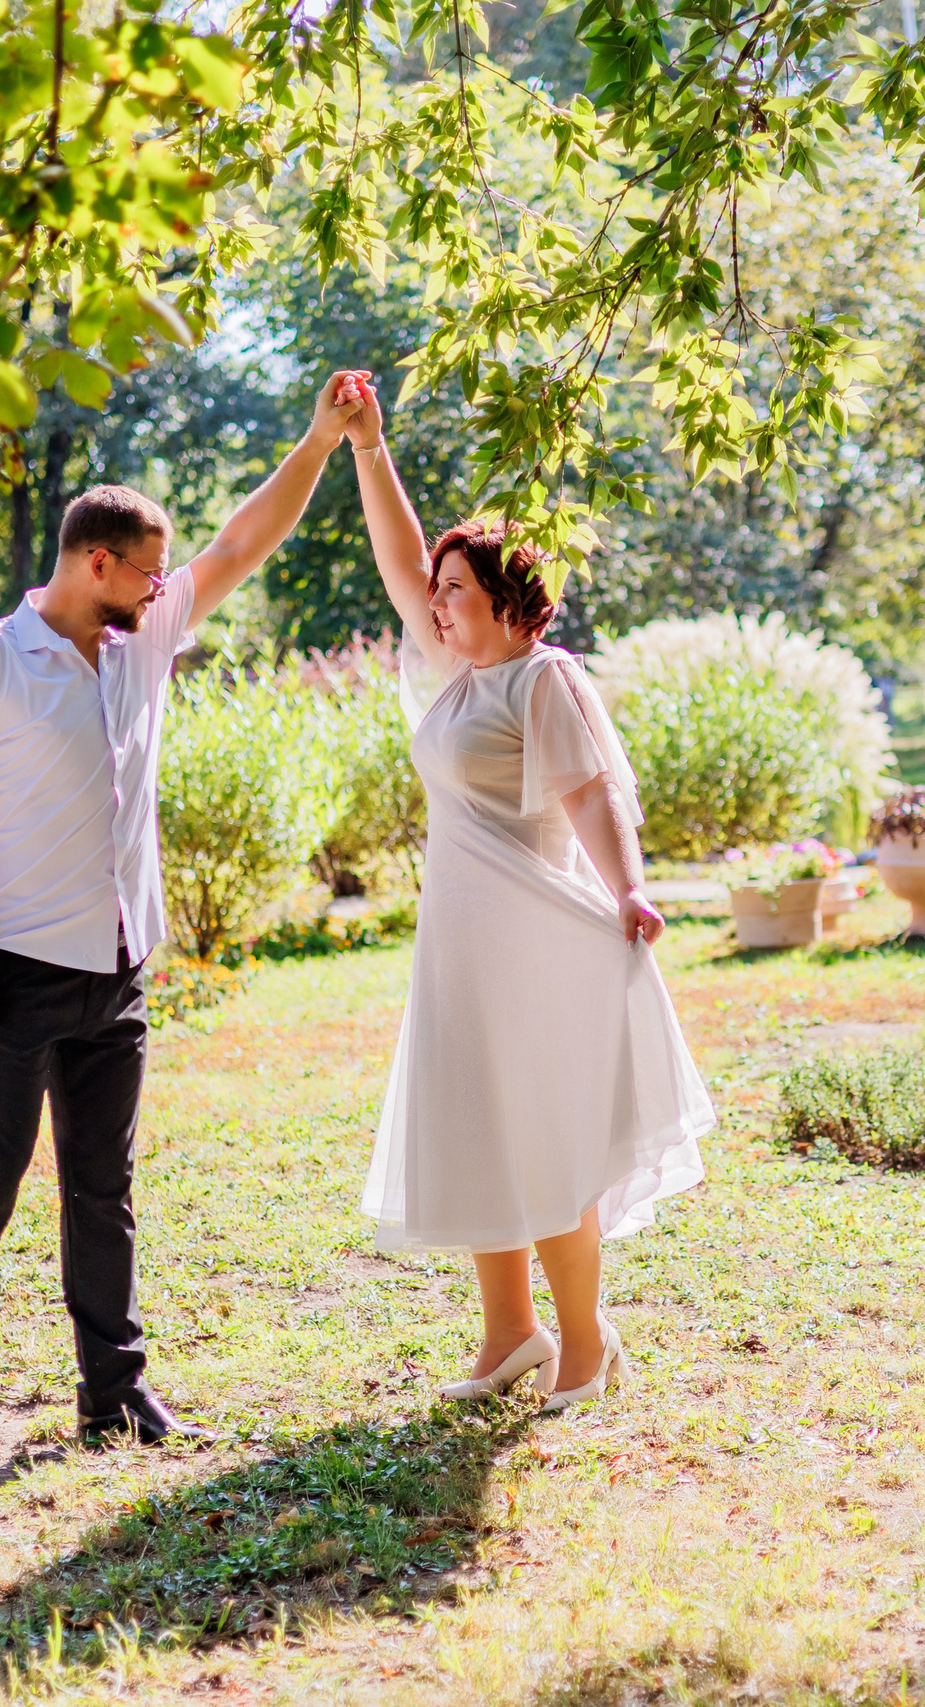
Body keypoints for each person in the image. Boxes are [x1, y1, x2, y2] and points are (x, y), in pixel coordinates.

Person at [0, 372, 369, 1487]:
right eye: (149, 570)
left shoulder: (144, 635)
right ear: (92, 563)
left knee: (102, 1192)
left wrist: (318, 440)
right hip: (7, 974)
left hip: (118, 968)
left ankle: (113, 1393)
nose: (168, 587)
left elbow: (246, 538)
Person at [343, 379, 713, 1414]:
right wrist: (371, 449)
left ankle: (587, 1347)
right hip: (461, 948)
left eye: (455, 590)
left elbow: (592, 795)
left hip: (532, 943)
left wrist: (631, 891)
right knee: (479, 1128)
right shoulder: (458, 678)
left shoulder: (541, 681)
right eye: (438, 591)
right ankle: (511, 1335)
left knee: (544, 1136)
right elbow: (394, 557)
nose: (436, 602)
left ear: (509, 601)